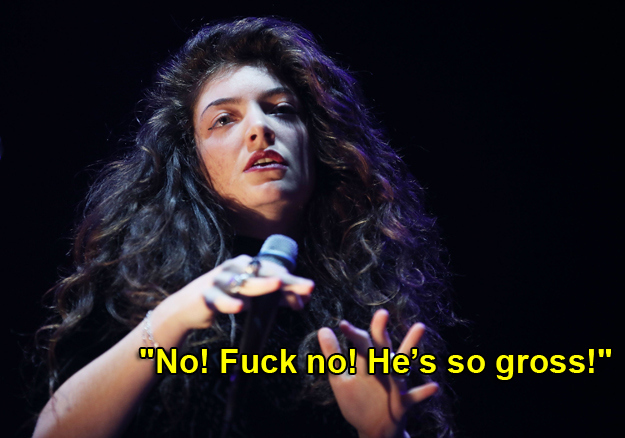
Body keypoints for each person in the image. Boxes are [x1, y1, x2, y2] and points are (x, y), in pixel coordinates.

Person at [33, 17, 458, 438]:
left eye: (281, 110)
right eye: (223, 119)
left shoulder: (370, 305)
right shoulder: (134, 285)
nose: (259, 128)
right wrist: (172, 316)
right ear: (192, 159)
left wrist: (384, 433)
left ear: (318, 142)